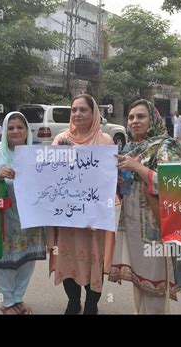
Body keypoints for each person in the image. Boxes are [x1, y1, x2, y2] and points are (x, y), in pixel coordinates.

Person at [108, 99, 181, 314]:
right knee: (140, 279)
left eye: (141, 117)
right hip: (133, 225)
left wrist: (137, 167)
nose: (135, 121)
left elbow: (174, 185)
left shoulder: (166, 145)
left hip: (156, 227)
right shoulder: (128, 147)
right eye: (131, 117)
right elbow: (122, 188)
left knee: (155, 282)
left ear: (153, 119)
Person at [47, 94, 116, 315]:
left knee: (94, 259)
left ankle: (91, 304)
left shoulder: (105, 141)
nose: (77, 114)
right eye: (74, 110)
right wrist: (59, 156)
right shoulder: (61, 140)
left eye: (83, 110)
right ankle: (73, 301)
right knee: (67, 259)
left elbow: (110, 177)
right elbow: (49, 176)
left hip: (95, 217)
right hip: (67, 217)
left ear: (93, 113)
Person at [0, 111, 46, 315]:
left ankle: (18, 298)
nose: (15, 131)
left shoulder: (37, 154)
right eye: (11, 127)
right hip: (4, 220)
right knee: (4, 262)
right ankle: (7, 302)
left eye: (20, 127)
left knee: (27, 260)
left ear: (27, 131)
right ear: (4, 130)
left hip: (31, 220)